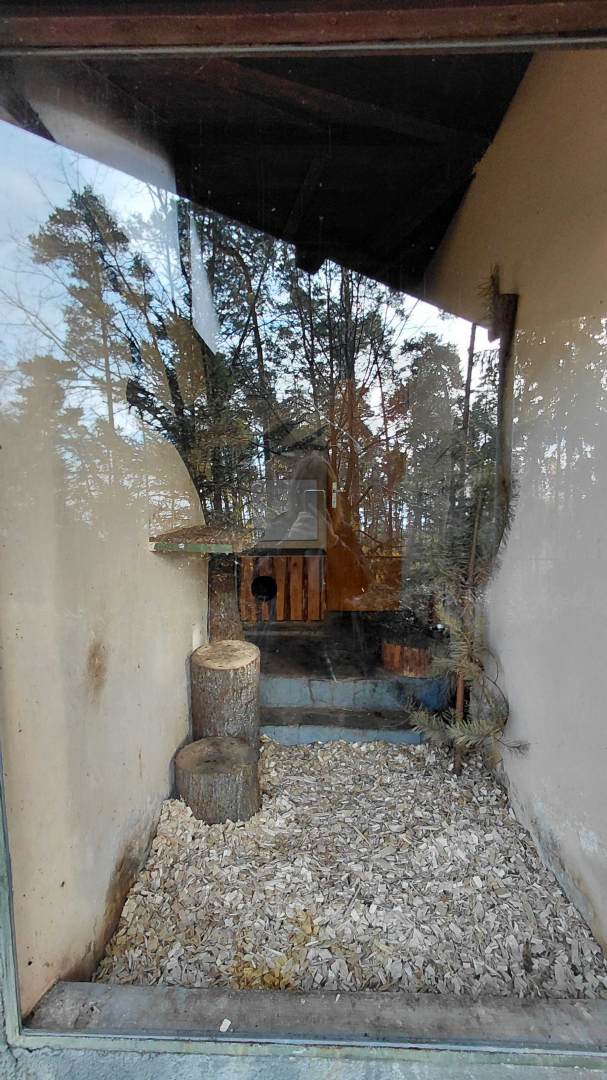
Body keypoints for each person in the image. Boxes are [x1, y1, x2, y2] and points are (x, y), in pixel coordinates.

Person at [258, 455, 369, 607]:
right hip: (286, 622)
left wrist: (334, 544)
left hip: (333, 624)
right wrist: (287, 544)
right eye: (306, 491)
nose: (314, 499)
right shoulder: (279, 528)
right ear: (296, 494)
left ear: (331, 496)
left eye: (321, 492)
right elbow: (257, 583)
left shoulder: (342, 532)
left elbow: (361, 586)